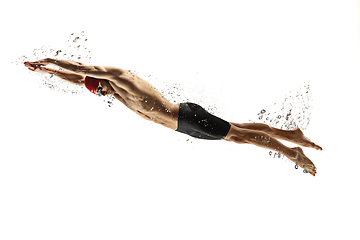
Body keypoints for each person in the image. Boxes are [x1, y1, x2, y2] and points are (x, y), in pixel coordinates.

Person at [24, 59, 322, 176]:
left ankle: (290, 152)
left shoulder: (122, 79)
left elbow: (82, 69)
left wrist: (50, 60)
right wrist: (48, 73)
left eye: (101, 91)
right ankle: (290, 135)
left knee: (237, 136)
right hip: (184, 125)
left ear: (103, 80)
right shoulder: (112, 91)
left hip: (186, 117)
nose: (104, 96)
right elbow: (79, 80)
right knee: (237, 129)